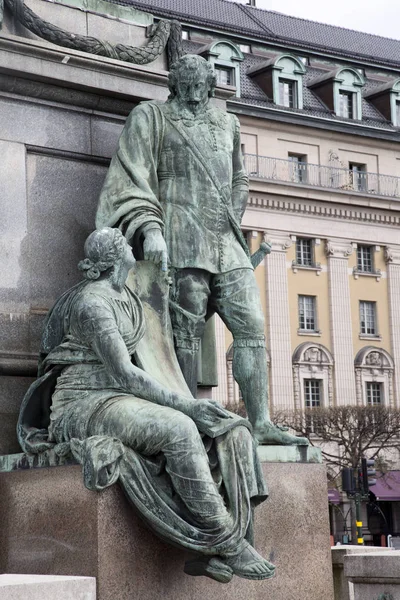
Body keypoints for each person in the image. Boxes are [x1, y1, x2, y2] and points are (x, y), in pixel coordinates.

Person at [17, 227, 275, 583]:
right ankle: (226, 542)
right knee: (179, 428)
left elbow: (166, 341)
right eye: (124, 243)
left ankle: (206, 549)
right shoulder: (93, 304)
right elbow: (125, 373)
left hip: (121, 399)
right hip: (83, 405)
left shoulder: (129, 297)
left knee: (231, 429)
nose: (130, 246)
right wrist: (189, 406)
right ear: (113, 258)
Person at [96, 54, 307, 445]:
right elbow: (132, 177)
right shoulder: (151, 117)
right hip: (179, 237)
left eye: (201, 92)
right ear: (174, 87)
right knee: (185, 330)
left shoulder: (228, 123)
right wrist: (150, 229)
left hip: (226, 242)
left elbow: (240, 177)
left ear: (211, 87)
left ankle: (260, 422)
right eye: (187, 93)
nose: (194, 101)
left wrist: (234, 211)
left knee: (252, 327)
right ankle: (188, 416)